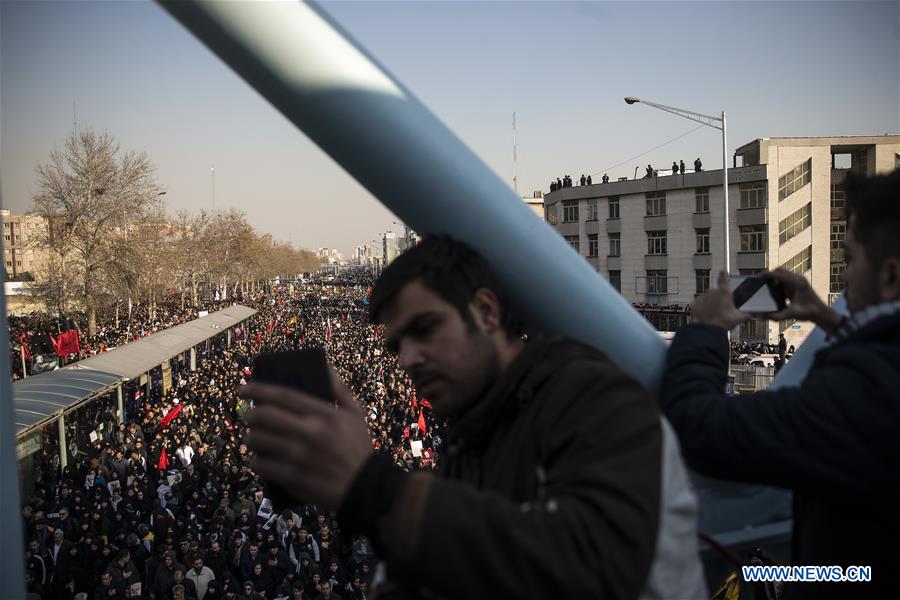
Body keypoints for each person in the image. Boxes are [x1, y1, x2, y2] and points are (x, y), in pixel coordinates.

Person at [243, 237, 705, 598]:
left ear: (485, 312)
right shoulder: (471, 441)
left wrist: (374, 489)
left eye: (425, 330)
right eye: (396, 345)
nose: (408, 358)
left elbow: (596, 566)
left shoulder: (594, 399)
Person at [661, 169, 900, 598]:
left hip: (853, 576)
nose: (844, 279)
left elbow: (701, 428)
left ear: (891, 276)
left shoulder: (862, 399)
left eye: (849, 260)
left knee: (757, 577)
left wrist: (706, 329)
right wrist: (825, 316)